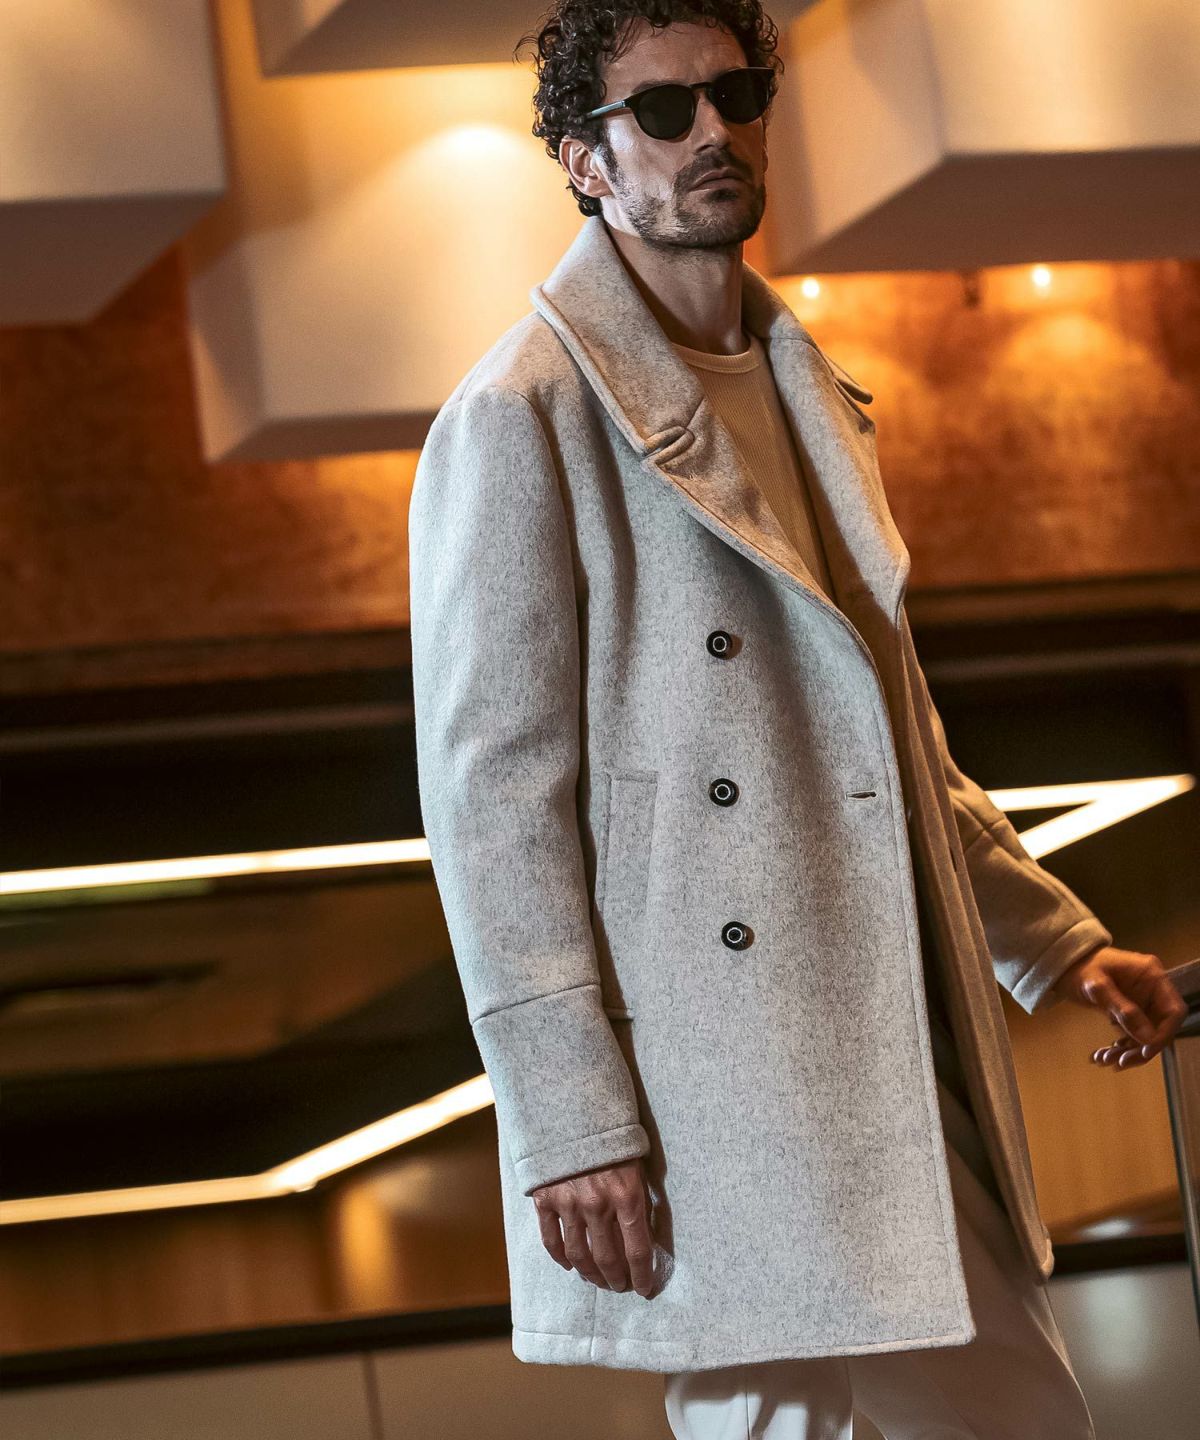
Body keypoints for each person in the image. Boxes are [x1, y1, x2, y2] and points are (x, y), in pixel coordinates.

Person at [408, 5, 1188, 1436]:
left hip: (881, 1024)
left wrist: (1054, 939)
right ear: (585, 161)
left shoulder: (808, 381)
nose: (712, 130)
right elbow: (491, 804)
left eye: (737, 92)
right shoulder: (522, 413)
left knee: (1020, 1416)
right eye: (662, 111)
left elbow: (889, 743)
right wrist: (569, 1116)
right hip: (706, 1065)